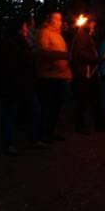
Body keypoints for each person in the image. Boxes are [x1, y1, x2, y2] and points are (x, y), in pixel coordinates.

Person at [0, 18, 46, 153]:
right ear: (19, 29)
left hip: (25, 84)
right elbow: (12, 65)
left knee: (34, 110)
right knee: (10, 113)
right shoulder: (11, 44)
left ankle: (33, 138)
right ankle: (9, 144)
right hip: (14, 85)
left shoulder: (22, 43)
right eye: (25, 27)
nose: (26, 30)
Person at [70, 17, 105, 133]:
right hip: (84, 73)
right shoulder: (82, 35)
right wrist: (96, 60)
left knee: (96, 99)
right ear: (87, 24)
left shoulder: (88, 35)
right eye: (92, 24)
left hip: (90, 73)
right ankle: (81, 126)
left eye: (94, 24)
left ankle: (100, 124)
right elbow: (81, 53)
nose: (93, 26)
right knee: (83, 100)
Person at [35, 12, 72, 142]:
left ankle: (50, 132)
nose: (59, 21)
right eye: (56, 19)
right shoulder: (44, 33)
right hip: (48, 76)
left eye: (60, 19)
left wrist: (68, 73)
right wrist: (63, 55)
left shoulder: (59, 35)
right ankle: (42, 134)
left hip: (60, 76)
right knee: (47, 107)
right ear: (49, 20)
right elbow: (43, 52)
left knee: (57, 107)